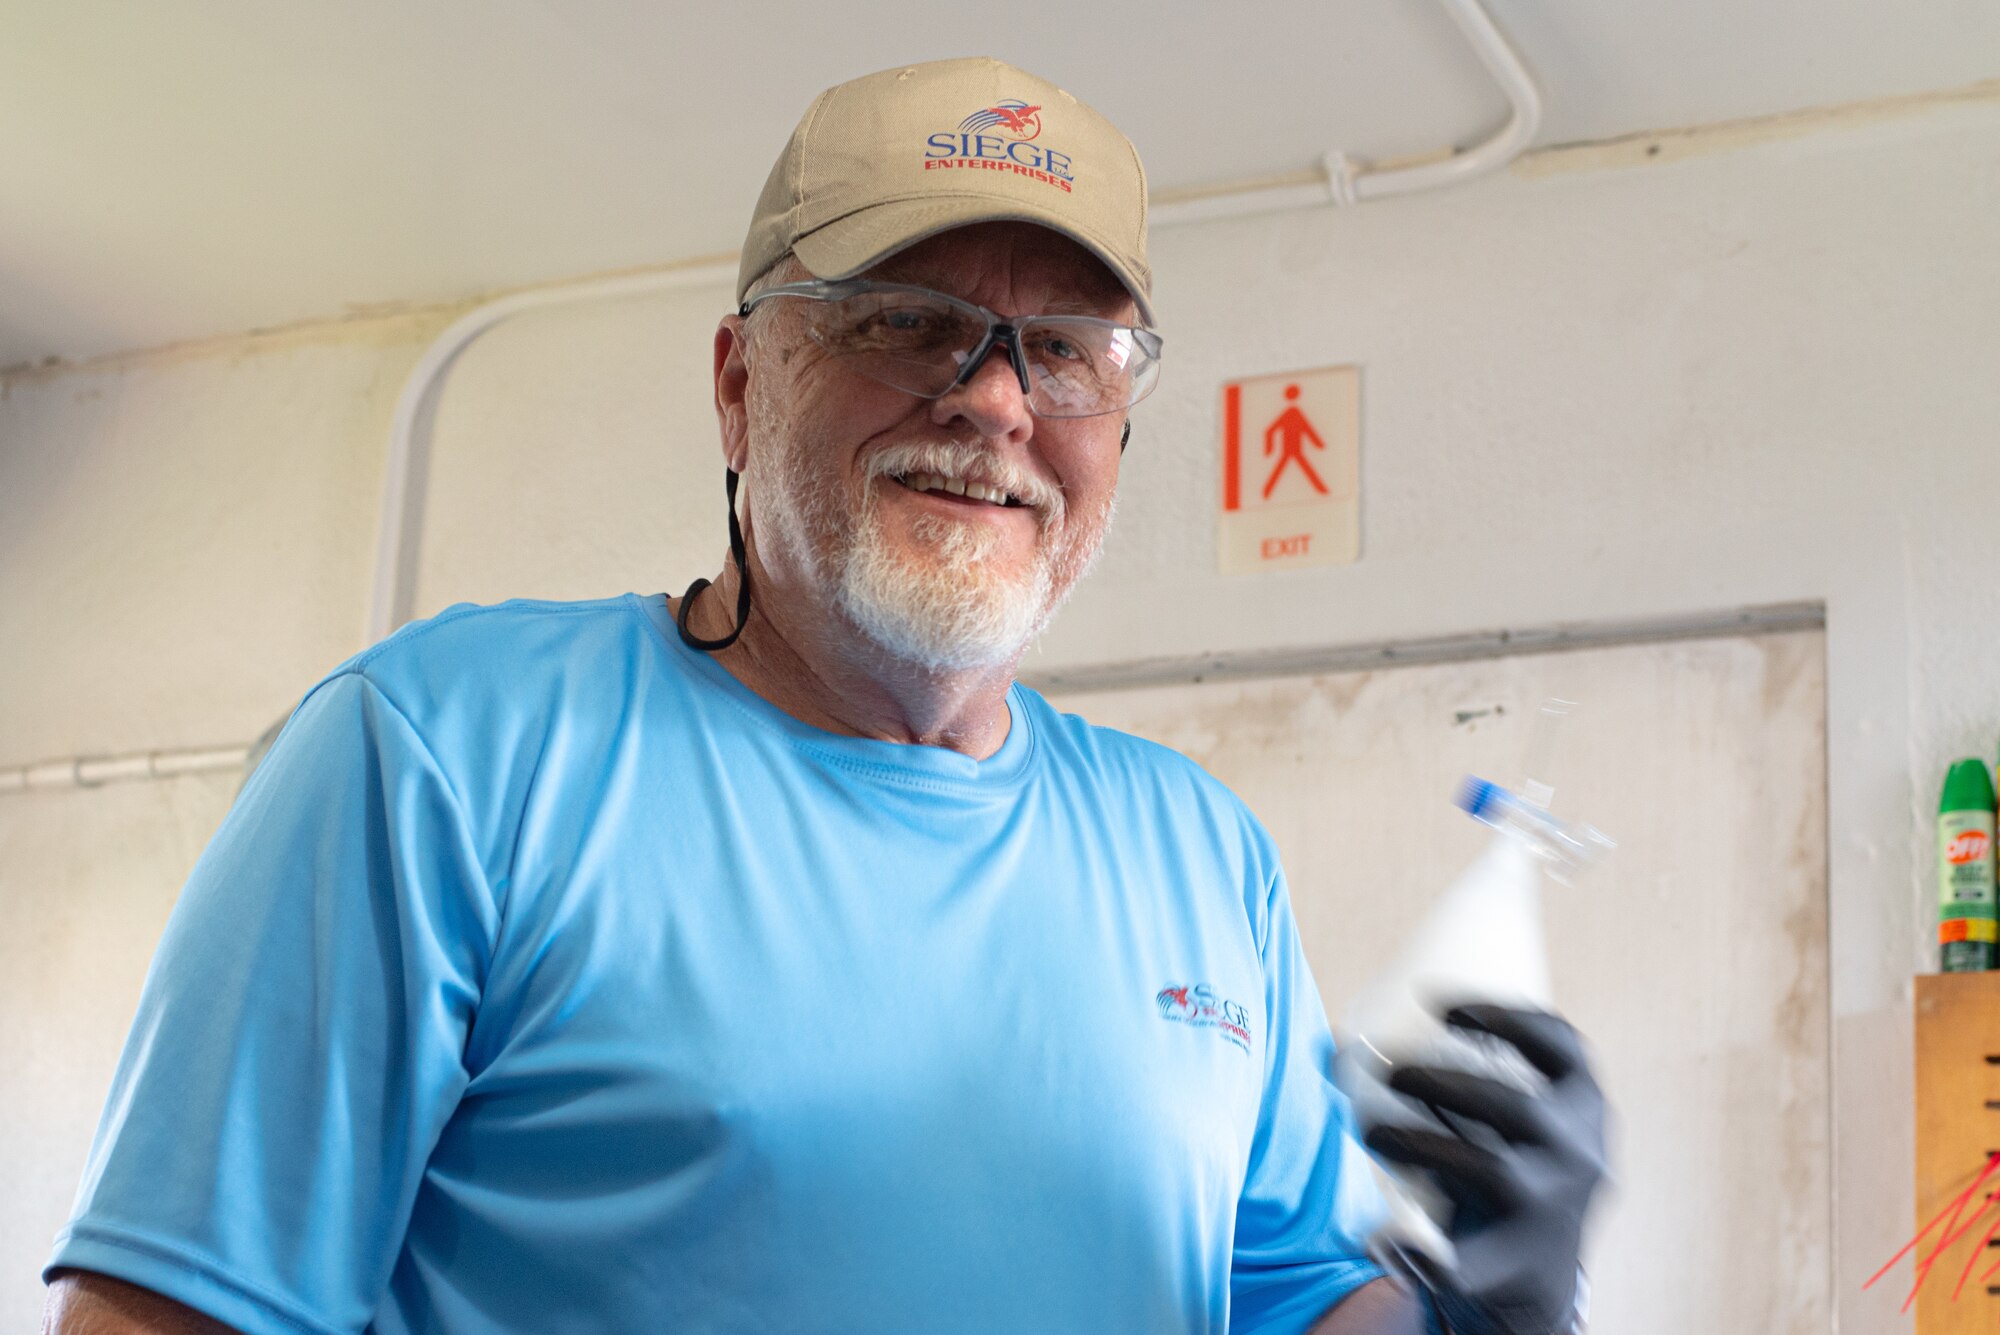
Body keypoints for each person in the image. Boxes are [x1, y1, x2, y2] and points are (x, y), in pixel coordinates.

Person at [43, 58, 1603, 1335]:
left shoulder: (1202, 859)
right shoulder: (443, 760)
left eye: (1065, 353)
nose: (994, 400)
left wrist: (1497, 1301)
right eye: (905, 323)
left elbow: (1292, 1305)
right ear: (739, 383)